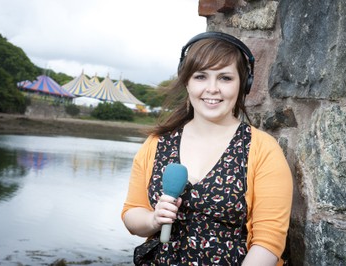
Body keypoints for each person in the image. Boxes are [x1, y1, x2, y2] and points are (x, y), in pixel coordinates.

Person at [121, 31, 293, 266]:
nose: (212, 89)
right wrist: (153, 219)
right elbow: (132, 213)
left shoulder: (263, 149)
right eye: (201, 76)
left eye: (225, 78)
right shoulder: (156, 143)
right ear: (187, 82)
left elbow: (268, 242)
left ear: (244, 84)